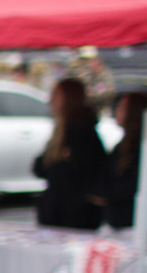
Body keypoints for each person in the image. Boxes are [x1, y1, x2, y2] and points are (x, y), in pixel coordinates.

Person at [32, 77, 107, 230]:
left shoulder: (82, 132)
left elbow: (86, 171)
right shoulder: (60, 132)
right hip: (58, 210)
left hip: (74, 215)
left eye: (56, 95)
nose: (51, 100)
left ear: (69, 99)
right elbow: (40, 167)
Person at [98, 88, 147, 230]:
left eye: (122, 108)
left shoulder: (143, 146)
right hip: (119, 218)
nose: (117, 112)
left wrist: (106, 193)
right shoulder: (122, 145)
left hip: (132, 219)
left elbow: (132, 183)